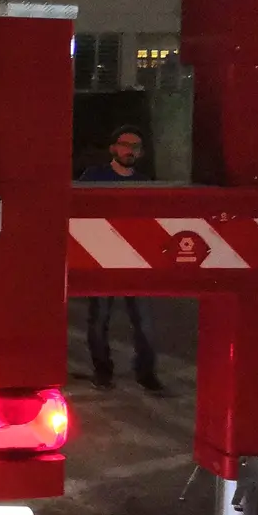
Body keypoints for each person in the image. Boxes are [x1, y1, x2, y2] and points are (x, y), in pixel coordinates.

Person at [78, 125, 164, 392]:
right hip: (101, 259)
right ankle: (103, 371)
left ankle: (146, 374)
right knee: (99, 320)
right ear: (113, 148)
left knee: (144, 322)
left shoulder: (145, 183)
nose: (130, 150)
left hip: (135, 261)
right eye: (125, 145)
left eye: (135, 147)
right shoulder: (93, 178)